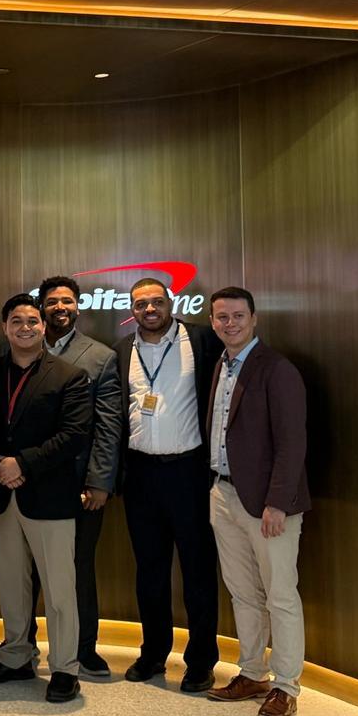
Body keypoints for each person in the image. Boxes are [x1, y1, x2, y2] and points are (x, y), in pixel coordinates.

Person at [0, 275, 123, 680]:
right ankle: (15, 657)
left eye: (32, 321)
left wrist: (21, 464)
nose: (25, 328)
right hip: (2, 496)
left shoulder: (69, 374)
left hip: (52, 495)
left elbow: (75, 435)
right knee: (12, 587)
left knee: (61, 591)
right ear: (4, 327)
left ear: (42, 326)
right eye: (16, 321)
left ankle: (64, 668)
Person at [203, 287, 310, 716]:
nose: (229, 323)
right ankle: (252, 674)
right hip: (223, 494)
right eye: (221, 317)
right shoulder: (221, 364)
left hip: (267, 505)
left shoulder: (277, 368)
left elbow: (292, 442)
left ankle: (286, 686)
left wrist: (277, 503)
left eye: (237, 316)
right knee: (243, 593)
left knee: (280, 595)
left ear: (254, 319)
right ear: (212, 321)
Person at [114, 276, 223, 692]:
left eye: (156, 302)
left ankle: (201, 662)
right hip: (141, 475)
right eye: (141, 304)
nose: (149, 310)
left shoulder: (202, 341)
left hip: (189, 473)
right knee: (150, 571)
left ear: (170, 303)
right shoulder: (123, 350)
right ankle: (153, 653)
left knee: (198, 571)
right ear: (132, 310)